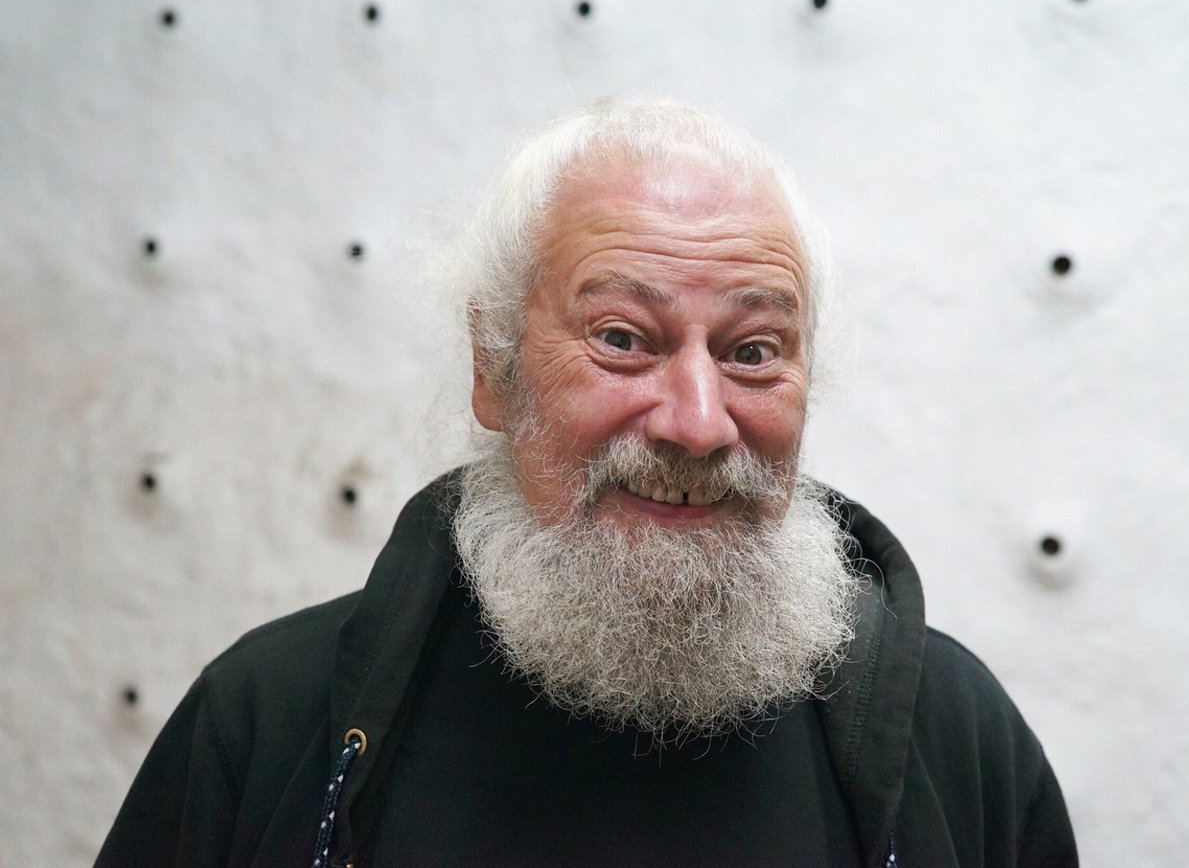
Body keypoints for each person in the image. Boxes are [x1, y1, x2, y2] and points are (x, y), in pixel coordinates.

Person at [97, 97, 1078, 867]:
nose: (697, 422)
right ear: (494, 368)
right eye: (622, 338)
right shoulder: (269, 728)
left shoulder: (954, 742)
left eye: (752, 350)